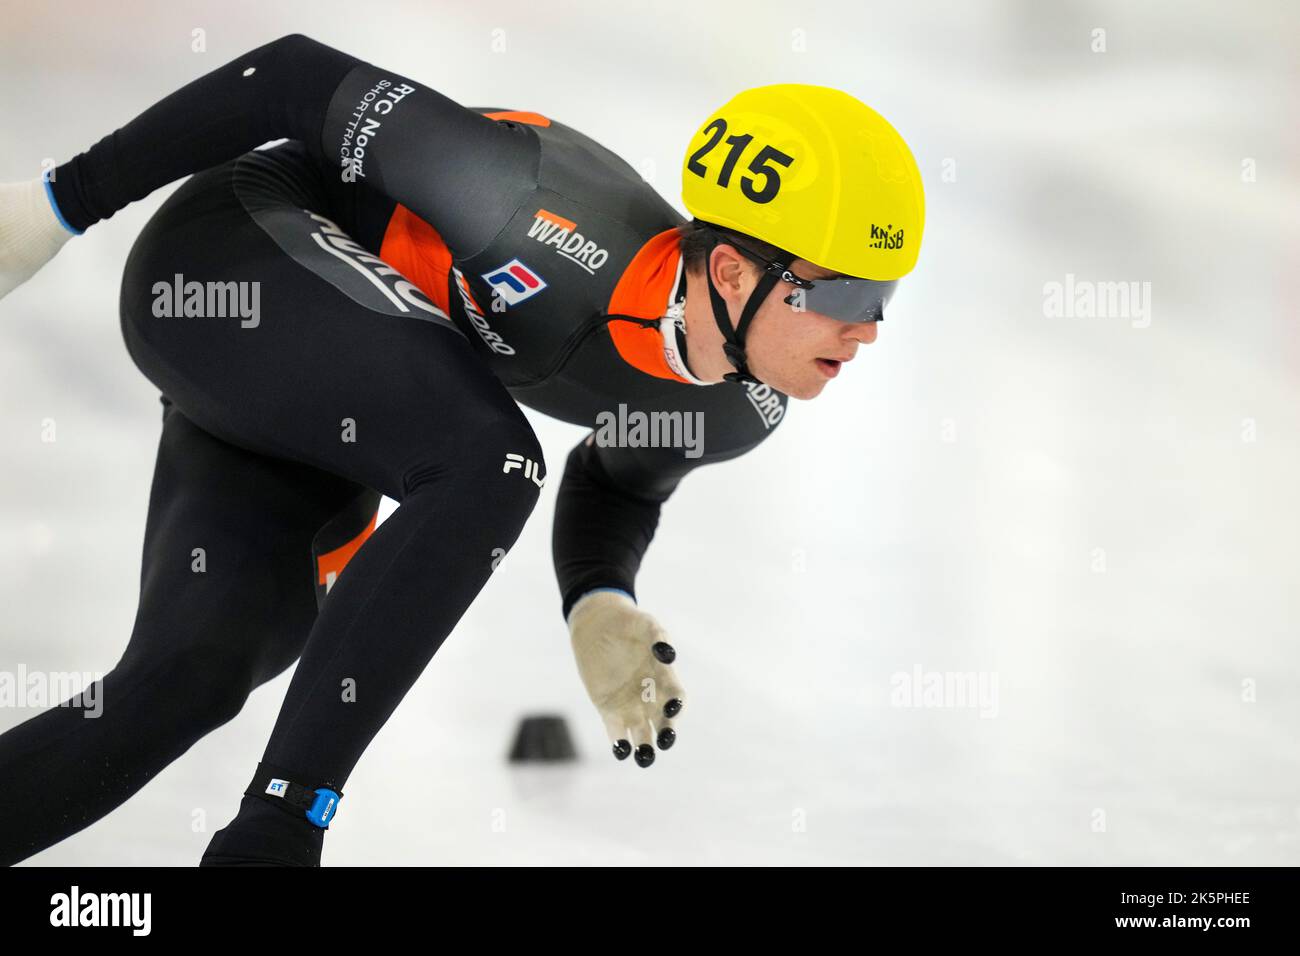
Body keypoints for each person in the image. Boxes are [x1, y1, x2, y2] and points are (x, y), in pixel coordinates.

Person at [0, 34, 924, 866]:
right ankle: (280, 830)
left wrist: (598, 597)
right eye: (847, 297)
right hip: (230, 255)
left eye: (885, 299)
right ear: (731, 271)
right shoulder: (522, 202)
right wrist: (56, 207)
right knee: (493, 459)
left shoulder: (743, 410)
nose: (869, 330)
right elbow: (284, 78)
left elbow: (619, 472)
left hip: (318, 390)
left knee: (191, 677)